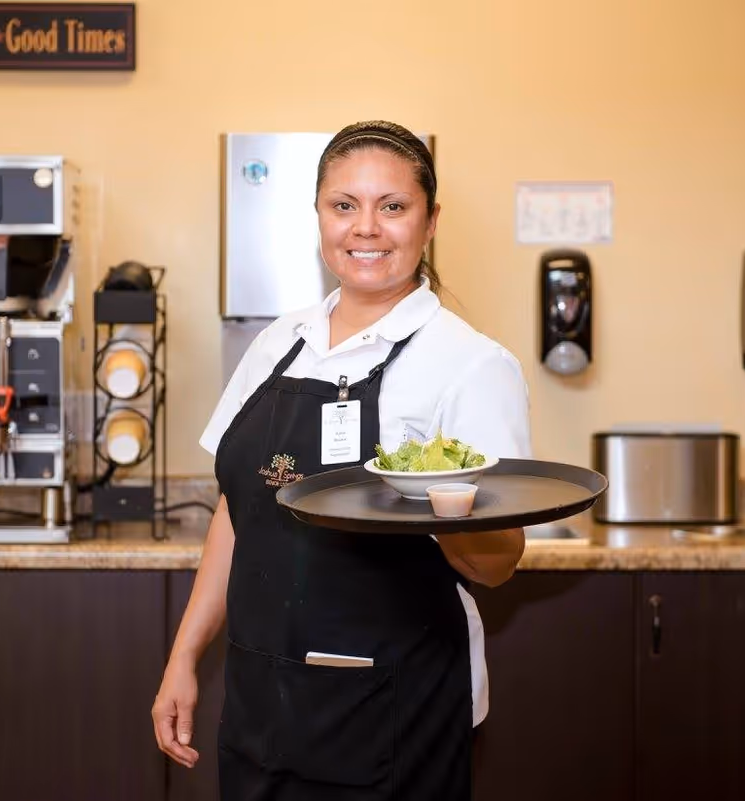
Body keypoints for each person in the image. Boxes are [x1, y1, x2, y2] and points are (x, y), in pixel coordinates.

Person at [152, 120, 531, 800]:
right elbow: (240, 510)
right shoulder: (278, 343)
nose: (367, 228)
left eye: (393, 206)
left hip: (395, 711)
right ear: (320, 215)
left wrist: (436, 500)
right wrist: (185, 655)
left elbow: (502, 562)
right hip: (262, 697)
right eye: (344, 205)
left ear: (430, 220)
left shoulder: (468, 364)